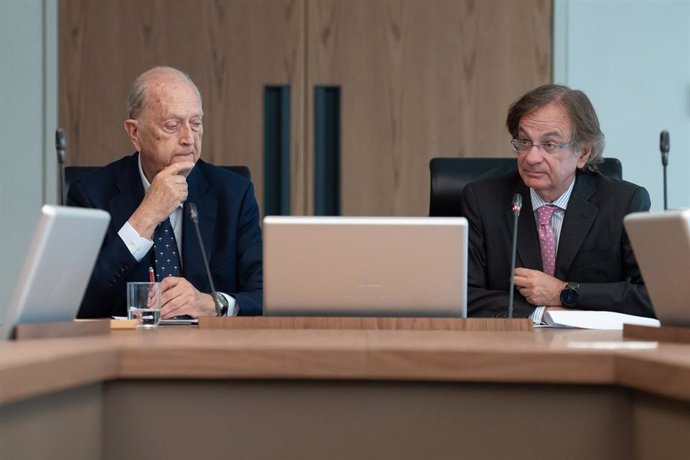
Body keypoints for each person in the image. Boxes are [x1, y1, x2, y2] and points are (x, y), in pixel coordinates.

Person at [68, 66, 262, 319]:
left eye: (196, 123)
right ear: (134, 133)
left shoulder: (233, 195)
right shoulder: (90, 195)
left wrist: (213, 304)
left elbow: (264, 296)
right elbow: (77, 301)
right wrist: (147, 215)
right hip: (123, 351)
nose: (189, 138)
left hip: (209, 351)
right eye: (172, 125)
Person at [461, 84, 654, 320]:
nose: (531, 158)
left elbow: (651, 297)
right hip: (511, 343)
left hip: (593, 349)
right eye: (524, 142)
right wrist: (541, 312)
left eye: (549, 145)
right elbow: (463, 296)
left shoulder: (624, 203)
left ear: (582, 153)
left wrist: (564, 293)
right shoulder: (483, 200)